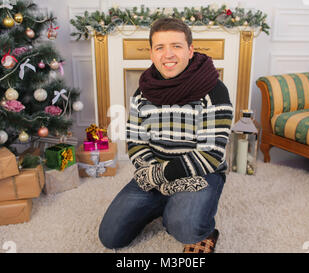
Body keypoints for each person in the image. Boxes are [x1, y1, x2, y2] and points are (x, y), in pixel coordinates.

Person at [99, 17, 233, 253]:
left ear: (190, 50)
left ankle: (191, 219)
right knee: (111, 237)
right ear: (151, 53)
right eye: (160, 47)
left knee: (185, 228)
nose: (168, 54)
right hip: (154, 171)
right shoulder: (143, 91)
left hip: (201, 173)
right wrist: (154, 174)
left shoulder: (213, 90)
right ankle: (165, 202)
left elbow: (211, 154)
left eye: (176, 46)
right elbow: (135, 140)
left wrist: (159, 176)